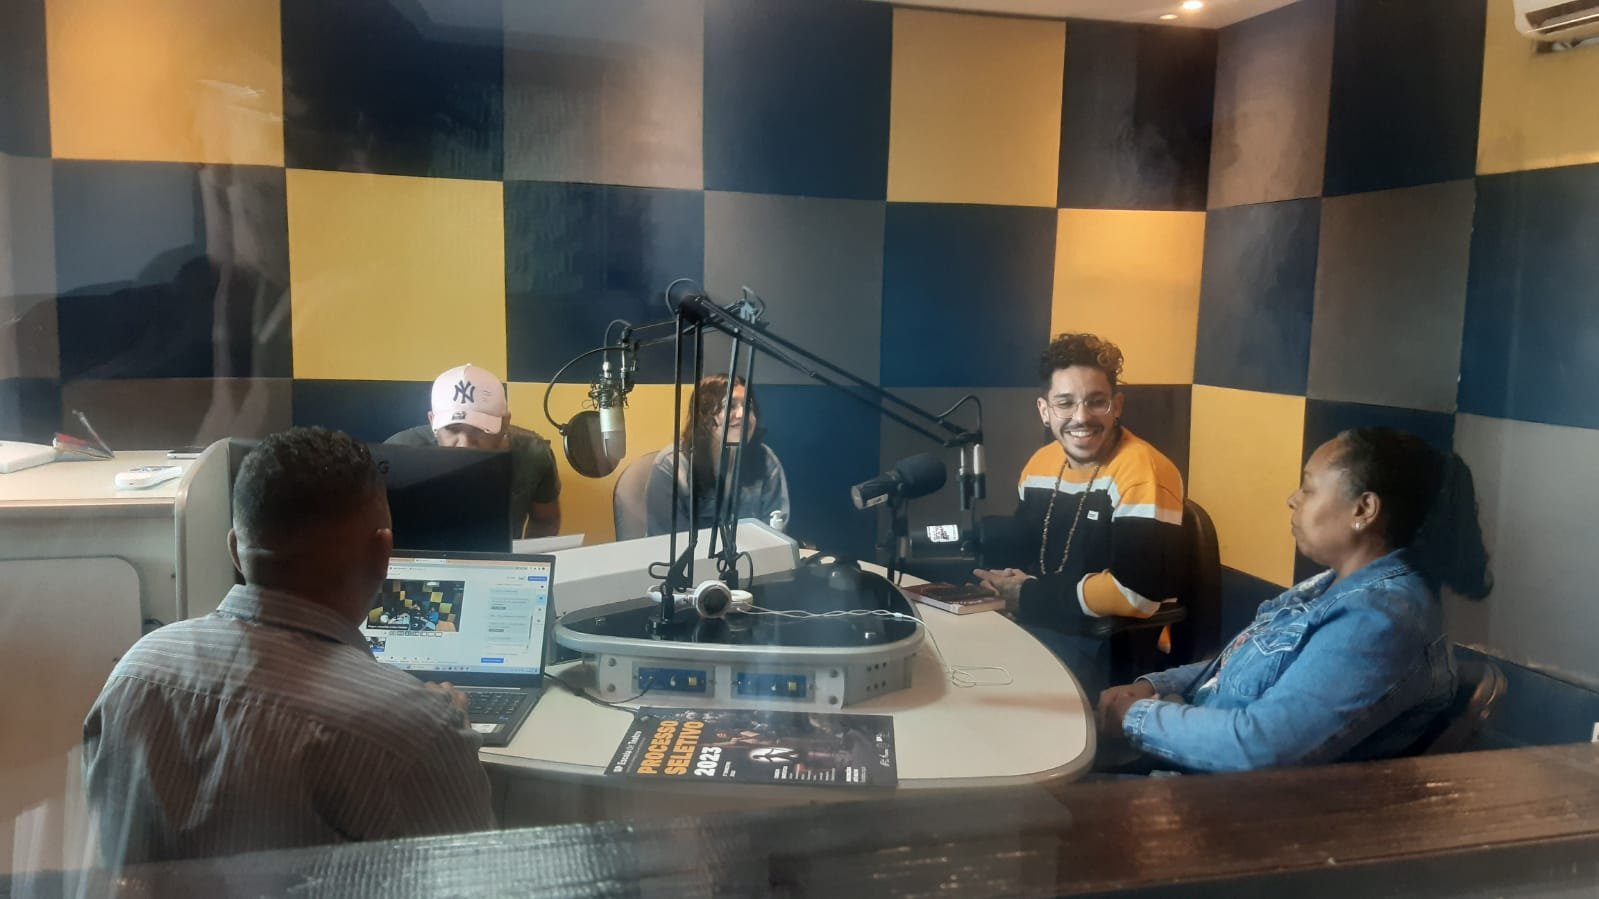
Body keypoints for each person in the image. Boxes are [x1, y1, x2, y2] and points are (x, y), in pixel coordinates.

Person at [83, 428, 494, 864]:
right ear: (383, 554)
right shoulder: (416, 733)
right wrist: (437, 726)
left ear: (235, 552)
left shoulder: (134, 674)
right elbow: (474, 879)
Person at [1096, 427, 1493, 772]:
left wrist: (1135, 718)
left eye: (1308, 487)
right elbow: (1249, 666)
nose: (1292, 498)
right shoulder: (1336, 587)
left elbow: (1261, 746)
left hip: (1215, 809)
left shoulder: (1380, 622)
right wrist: (1153, 686)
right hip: (1186, 765)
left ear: (1363, 509)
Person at [974, 333, 1186, 696]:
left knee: (991, 693)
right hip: (1041, 622)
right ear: (1045, 411)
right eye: (1065, 403)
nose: (1081, 417)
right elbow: (1028, 549)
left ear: (1117, 406)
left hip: (1102, 645)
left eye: (1096, 402)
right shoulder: (1041, 464)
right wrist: (1000, 584)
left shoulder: (1143, 470)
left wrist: (1026, 596)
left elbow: (1135, 593)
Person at [387, 363, 561, 538]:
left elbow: (545, 521)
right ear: (433, 422)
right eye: (453, 429)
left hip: (500, 563)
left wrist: (528, 563)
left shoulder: (532, 454)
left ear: (504, 423)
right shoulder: (398, 453)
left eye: (480, 430)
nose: (465, 444)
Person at [645, 374, 790, 537]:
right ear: (705, 416)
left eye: (748, 407)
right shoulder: (671, 466)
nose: (742, 414)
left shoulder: (766, 461)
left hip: (753, 561)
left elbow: (775, 537)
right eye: (730, 406)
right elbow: (667, 545)